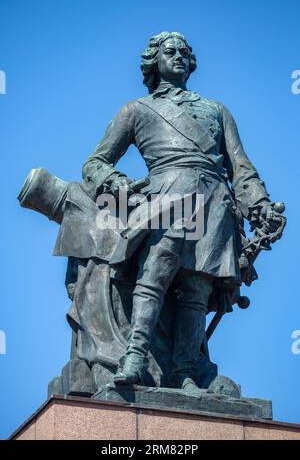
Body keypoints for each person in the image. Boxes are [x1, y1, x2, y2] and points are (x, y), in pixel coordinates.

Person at [82, 32, 283, 392]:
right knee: (155, 272)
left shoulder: (217, 110)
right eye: (169, 51)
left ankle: (184, 372)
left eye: (184, 52)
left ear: (191, 63)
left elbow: (241, 168)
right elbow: (96, 163)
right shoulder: (136, 110)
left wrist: (260, 206)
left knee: (197, 288)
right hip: (169, 194)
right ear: (153, 61)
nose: (178, 56)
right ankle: (135, 355)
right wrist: (119, 185)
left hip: (216, 202)